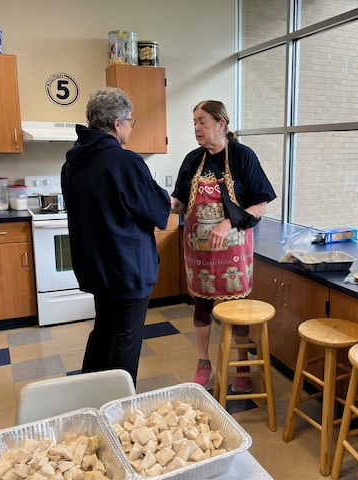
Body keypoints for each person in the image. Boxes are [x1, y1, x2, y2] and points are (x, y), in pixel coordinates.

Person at [61, 87, 171, 386]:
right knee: (125, 338)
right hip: (127, 269)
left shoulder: (72, 163)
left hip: (96, 268)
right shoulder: (125, 162)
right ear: (117, 123)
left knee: (103, 332)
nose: (131, 128)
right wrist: (166, 198)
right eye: (130, 121)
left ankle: (90, 394)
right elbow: (156, 210)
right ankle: (119, 405)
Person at [170, 100, 276, 391]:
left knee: (237, 309)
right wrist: (165, 203)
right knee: (201, 307)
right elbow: (180, 203)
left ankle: (241, 365)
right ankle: (203, 364)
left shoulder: (243, 156)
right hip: (199, 252)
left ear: (221, 124)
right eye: (194, 122)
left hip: (233, 250)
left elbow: (261, 205)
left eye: (202, 121)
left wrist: (228, 223)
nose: (196, 127)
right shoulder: (193, 159)